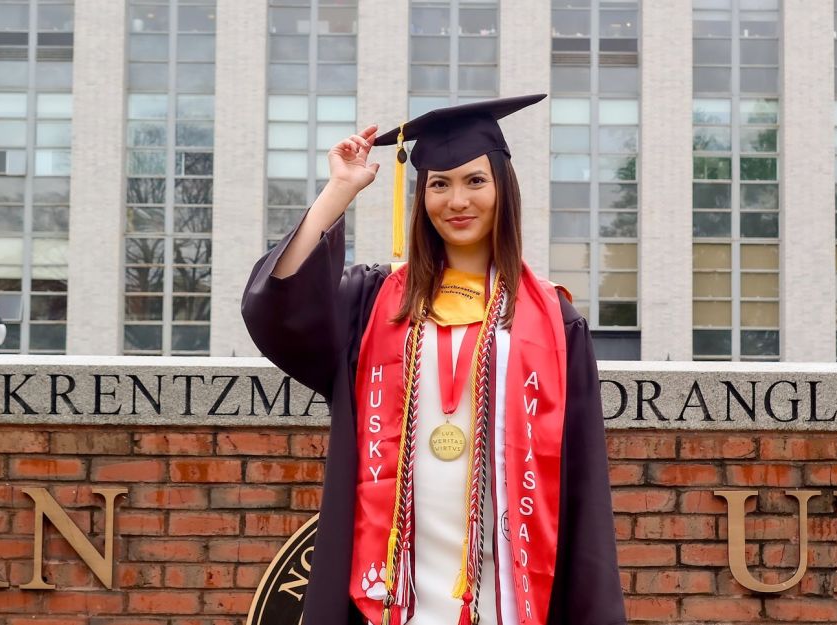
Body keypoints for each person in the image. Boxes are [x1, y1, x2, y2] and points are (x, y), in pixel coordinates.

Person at [242, 95, 624, 625]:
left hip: (508, 591)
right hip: (392, 587)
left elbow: (581, 481)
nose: (457, 200)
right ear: (421, 196)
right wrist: (340, 191)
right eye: (439, 184)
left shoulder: (552, 322)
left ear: (503, 190)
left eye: (474, 181)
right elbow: (281, 309)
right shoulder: (373, 304)